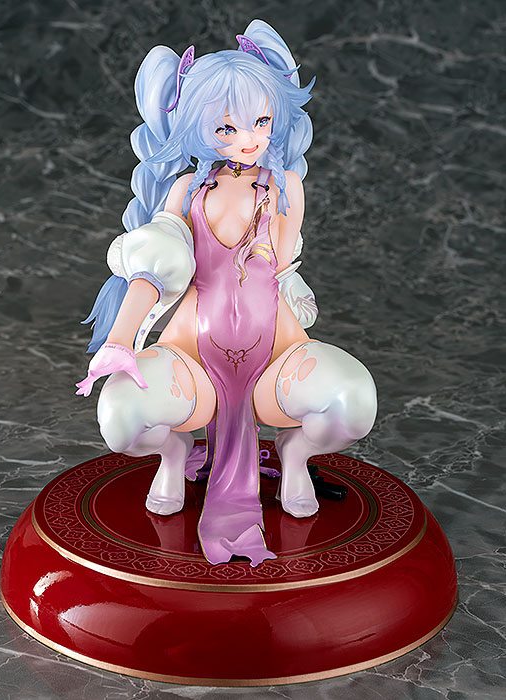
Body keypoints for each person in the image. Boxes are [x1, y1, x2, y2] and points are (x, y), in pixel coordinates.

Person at [76, 20, 377, 567]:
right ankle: (174, 454)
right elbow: (153, 269)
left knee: (355, 404)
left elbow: (279, 262)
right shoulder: (185, 190)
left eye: (261, 121)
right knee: (120, 419)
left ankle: (294, 453)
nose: (250, 139)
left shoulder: (286, 186)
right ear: (197, 127)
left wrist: (268, 231)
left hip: (277, 358)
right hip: (192, 359)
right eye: (227, 127)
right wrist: (119, 340)